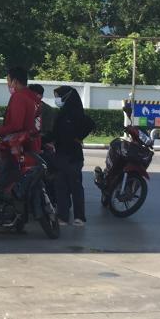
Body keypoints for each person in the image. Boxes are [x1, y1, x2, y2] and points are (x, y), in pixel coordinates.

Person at [0, 66, 41, 199]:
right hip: (33, 148)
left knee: (4, 183)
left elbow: (16, 125)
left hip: (16, 149)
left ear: (14, 81)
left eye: (8, 81)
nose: (8, 84)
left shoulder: (18, 97)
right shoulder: (34, 97)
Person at [52, 86, 94, 226]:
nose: (57, 99)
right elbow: (54, 134)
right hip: (61, 154)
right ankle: (63, 216)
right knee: (61, 186)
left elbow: (90, 124)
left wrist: (79, 137)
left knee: (75, 187)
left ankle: (79, 217)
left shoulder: (76, 114)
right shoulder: (61, 114)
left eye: (58, 96)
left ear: (66, 97)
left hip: (73, 156)